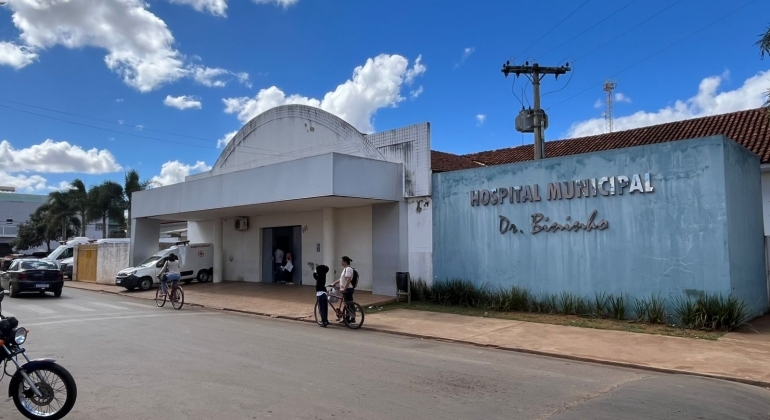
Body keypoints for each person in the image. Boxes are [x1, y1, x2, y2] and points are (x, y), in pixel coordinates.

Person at [331, 256, 355, 323]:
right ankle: (348, 318)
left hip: (348, 289)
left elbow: (348, 279)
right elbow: (342, 279)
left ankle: (350, 318)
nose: (341, 262)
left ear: (345, 262)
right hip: (346, 289)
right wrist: (334, 283)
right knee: (347, 304)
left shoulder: (348, 269)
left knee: (349, 304)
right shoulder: (345, 269)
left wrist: (344, 288)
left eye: (342, 261)